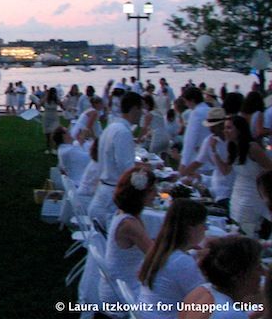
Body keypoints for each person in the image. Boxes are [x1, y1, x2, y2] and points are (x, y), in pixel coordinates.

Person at [137, 199, 208, 318]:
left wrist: (198, 254)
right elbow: (204, 302)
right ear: (191, 229)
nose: (205, 229)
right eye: (204, 224)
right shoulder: (182, 262)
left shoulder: (158, 252)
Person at [99, 166, 156, 312]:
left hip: (119, 284)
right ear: (139, 195)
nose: (156, 193)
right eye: (151, 190)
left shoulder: (124, 214)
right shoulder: (129, 224)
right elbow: (156, 256)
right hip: (122, 292)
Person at [88, 91, 143, 228]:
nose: (142, 113)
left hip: (103, 192)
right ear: (134, 109)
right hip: (111, 200)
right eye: (141, 108)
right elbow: (127, 169)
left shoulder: (111, 127)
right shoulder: (123, 132)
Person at [180, 236, 263, 319]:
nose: (262, 272)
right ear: (240, 275)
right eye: (258, 267)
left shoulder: (202, 290)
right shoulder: (231, 314)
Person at [225, 115, 272, 236]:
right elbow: (226, 170)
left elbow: (269, 168)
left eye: (229, 128)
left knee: (247, 229)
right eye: (225, 128)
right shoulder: (233, 147)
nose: (226, 131)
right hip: (238, 192)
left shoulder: (252, 147)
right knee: (236, 227)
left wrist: (260, 181)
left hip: (253, 194)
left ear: (239, 130)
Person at [180, 87, 211, 174]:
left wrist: (183, 163)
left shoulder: (196, 113)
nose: (186, 105)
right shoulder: (209, 110)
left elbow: (190, 140)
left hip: (197, 159)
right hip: (210, 158)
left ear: (192, 100)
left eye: (186, 101)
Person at [41, 87, 61, 154]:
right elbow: (39, 104)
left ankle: (54, 148)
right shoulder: (46, 99)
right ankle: (48, 148)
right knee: (47, 134)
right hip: (46, 117)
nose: (53, 94)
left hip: (54, 117)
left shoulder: (56, 99)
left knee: (54, 133)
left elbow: (63, 105)